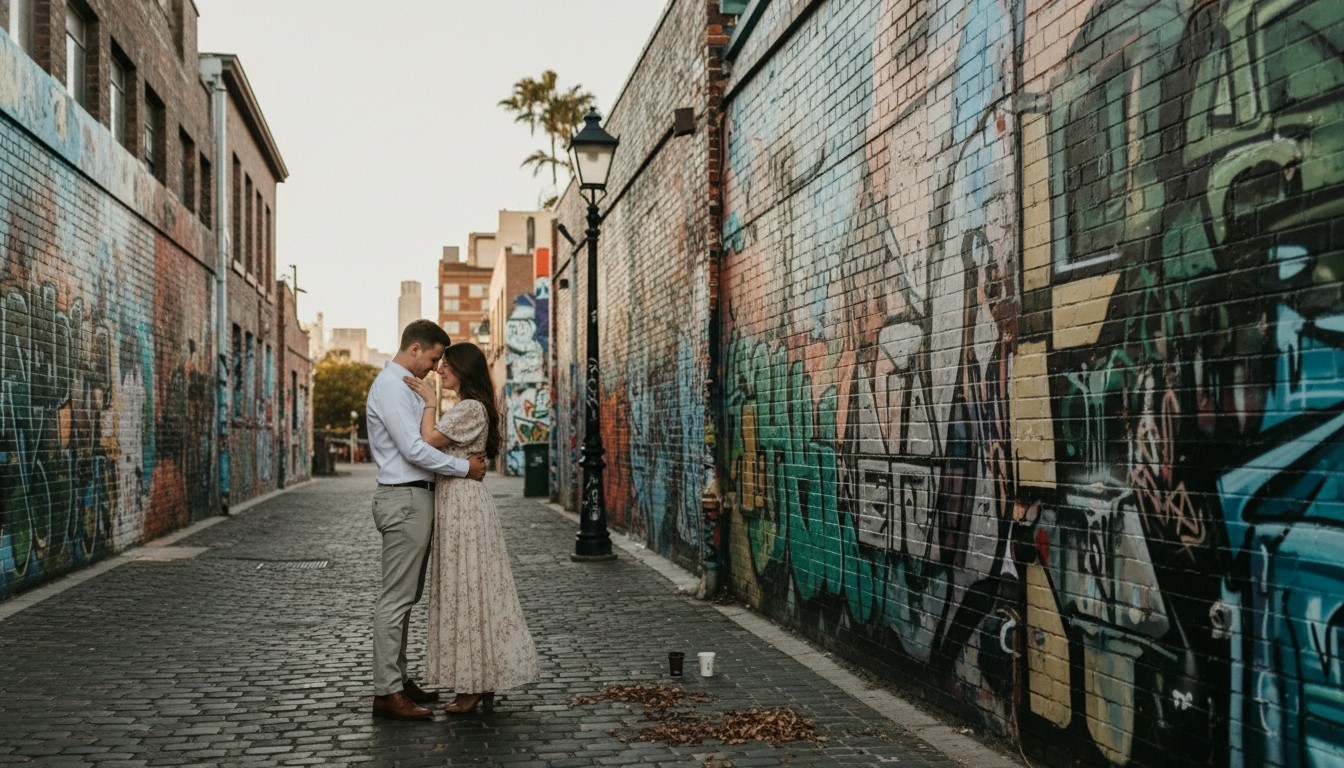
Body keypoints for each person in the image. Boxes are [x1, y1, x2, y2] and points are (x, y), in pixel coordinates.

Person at [403, 342, 540, 714]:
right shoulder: (468, 408)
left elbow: (428, 440)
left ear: (464, 370)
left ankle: (473, 687)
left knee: (469, 591)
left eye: (446, 366)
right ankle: (481, 680)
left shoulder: (469, 408)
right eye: (439, 364)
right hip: (458, 505)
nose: (439, 371)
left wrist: (429, 401)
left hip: (464, 508)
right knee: (469, 593)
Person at [366, 320, 487, 721]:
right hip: (404, 498)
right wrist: (463, 469)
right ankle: (387, 692)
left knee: (407, 597)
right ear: (414, 348)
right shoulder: (391, 387)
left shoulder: (407, 387)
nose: (435, 367)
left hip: (416, 498)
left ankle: (397, 680)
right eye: (434, 358)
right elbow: (416, 449)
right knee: (396, 598)